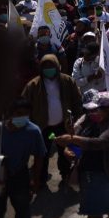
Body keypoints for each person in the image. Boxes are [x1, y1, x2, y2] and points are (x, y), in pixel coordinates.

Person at [55, 91, 109, 218]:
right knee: (93, 213)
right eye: (92, 109)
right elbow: (77, 141)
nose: (93, 113)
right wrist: (68, 149)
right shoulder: (88, 120)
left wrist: (72, 138)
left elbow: (99, 143)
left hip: (108, 175)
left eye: (98, 109)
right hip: (88, 175)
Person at [20, 54, 82, 187]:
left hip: (63, 125)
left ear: (57, 66)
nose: (48, 69)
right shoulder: (33, 85)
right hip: (43, 127)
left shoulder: (67, 81)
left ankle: (65, 175)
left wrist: (77, 120)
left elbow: (77, 101)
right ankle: (40, 179)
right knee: (42, 153)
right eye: (45, 67)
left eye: (51, 66)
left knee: (65, 151)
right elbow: (23, 105)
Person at [0, 98, 46, 218]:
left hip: (19, 177)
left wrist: (35, 179)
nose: (22, 118)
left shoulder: (33, 131)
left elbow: (39, 156)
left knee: (23, 213)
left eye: (26, 115)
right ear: (9, 113)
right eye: (19, 114)